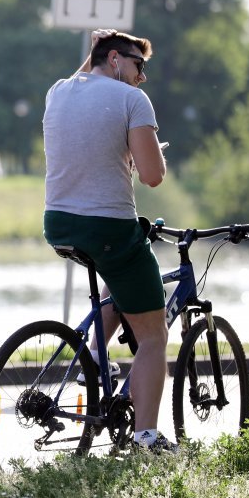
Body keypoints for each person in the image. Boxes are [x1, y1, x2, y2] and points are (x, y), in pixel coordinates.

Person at [42, 29, 175, 452]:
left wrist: (93, 54)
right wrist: (145, 154)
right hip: (108, 228)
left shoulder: (57, 92)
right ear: (116, 59)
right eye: (140, 65)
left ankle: (95, 357)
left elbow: (80, 83)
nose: (143, 77)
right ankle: (146, 437)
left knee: (118, 280)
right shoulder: (132, 101)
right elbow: (153, 176)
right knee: (153, 336)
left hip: (59, 224)